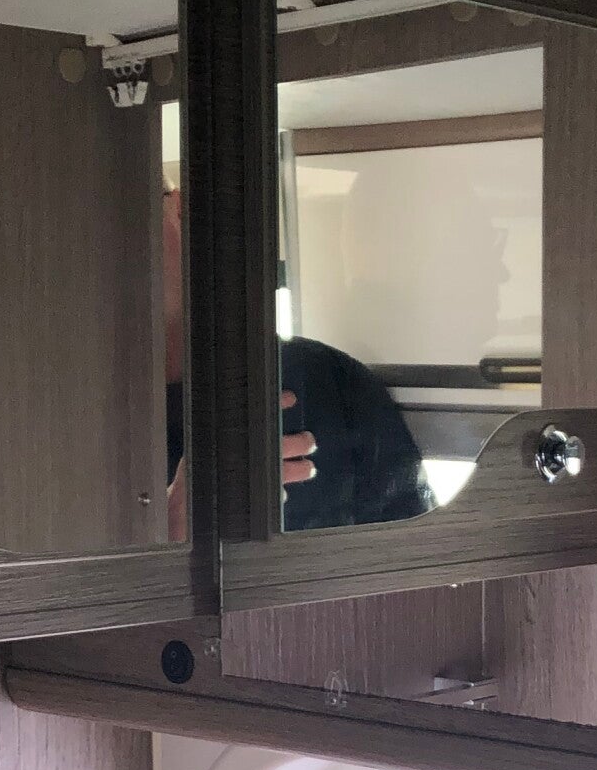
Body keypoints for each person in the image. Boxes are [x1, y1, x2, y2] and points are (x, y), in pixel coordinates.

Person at [161, 188, 432, 536]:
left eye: (129, 213)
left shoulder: (334, 383)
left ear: (181, 209)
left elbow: (418, 552)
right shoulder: (87, 439)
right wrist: (172, 532)